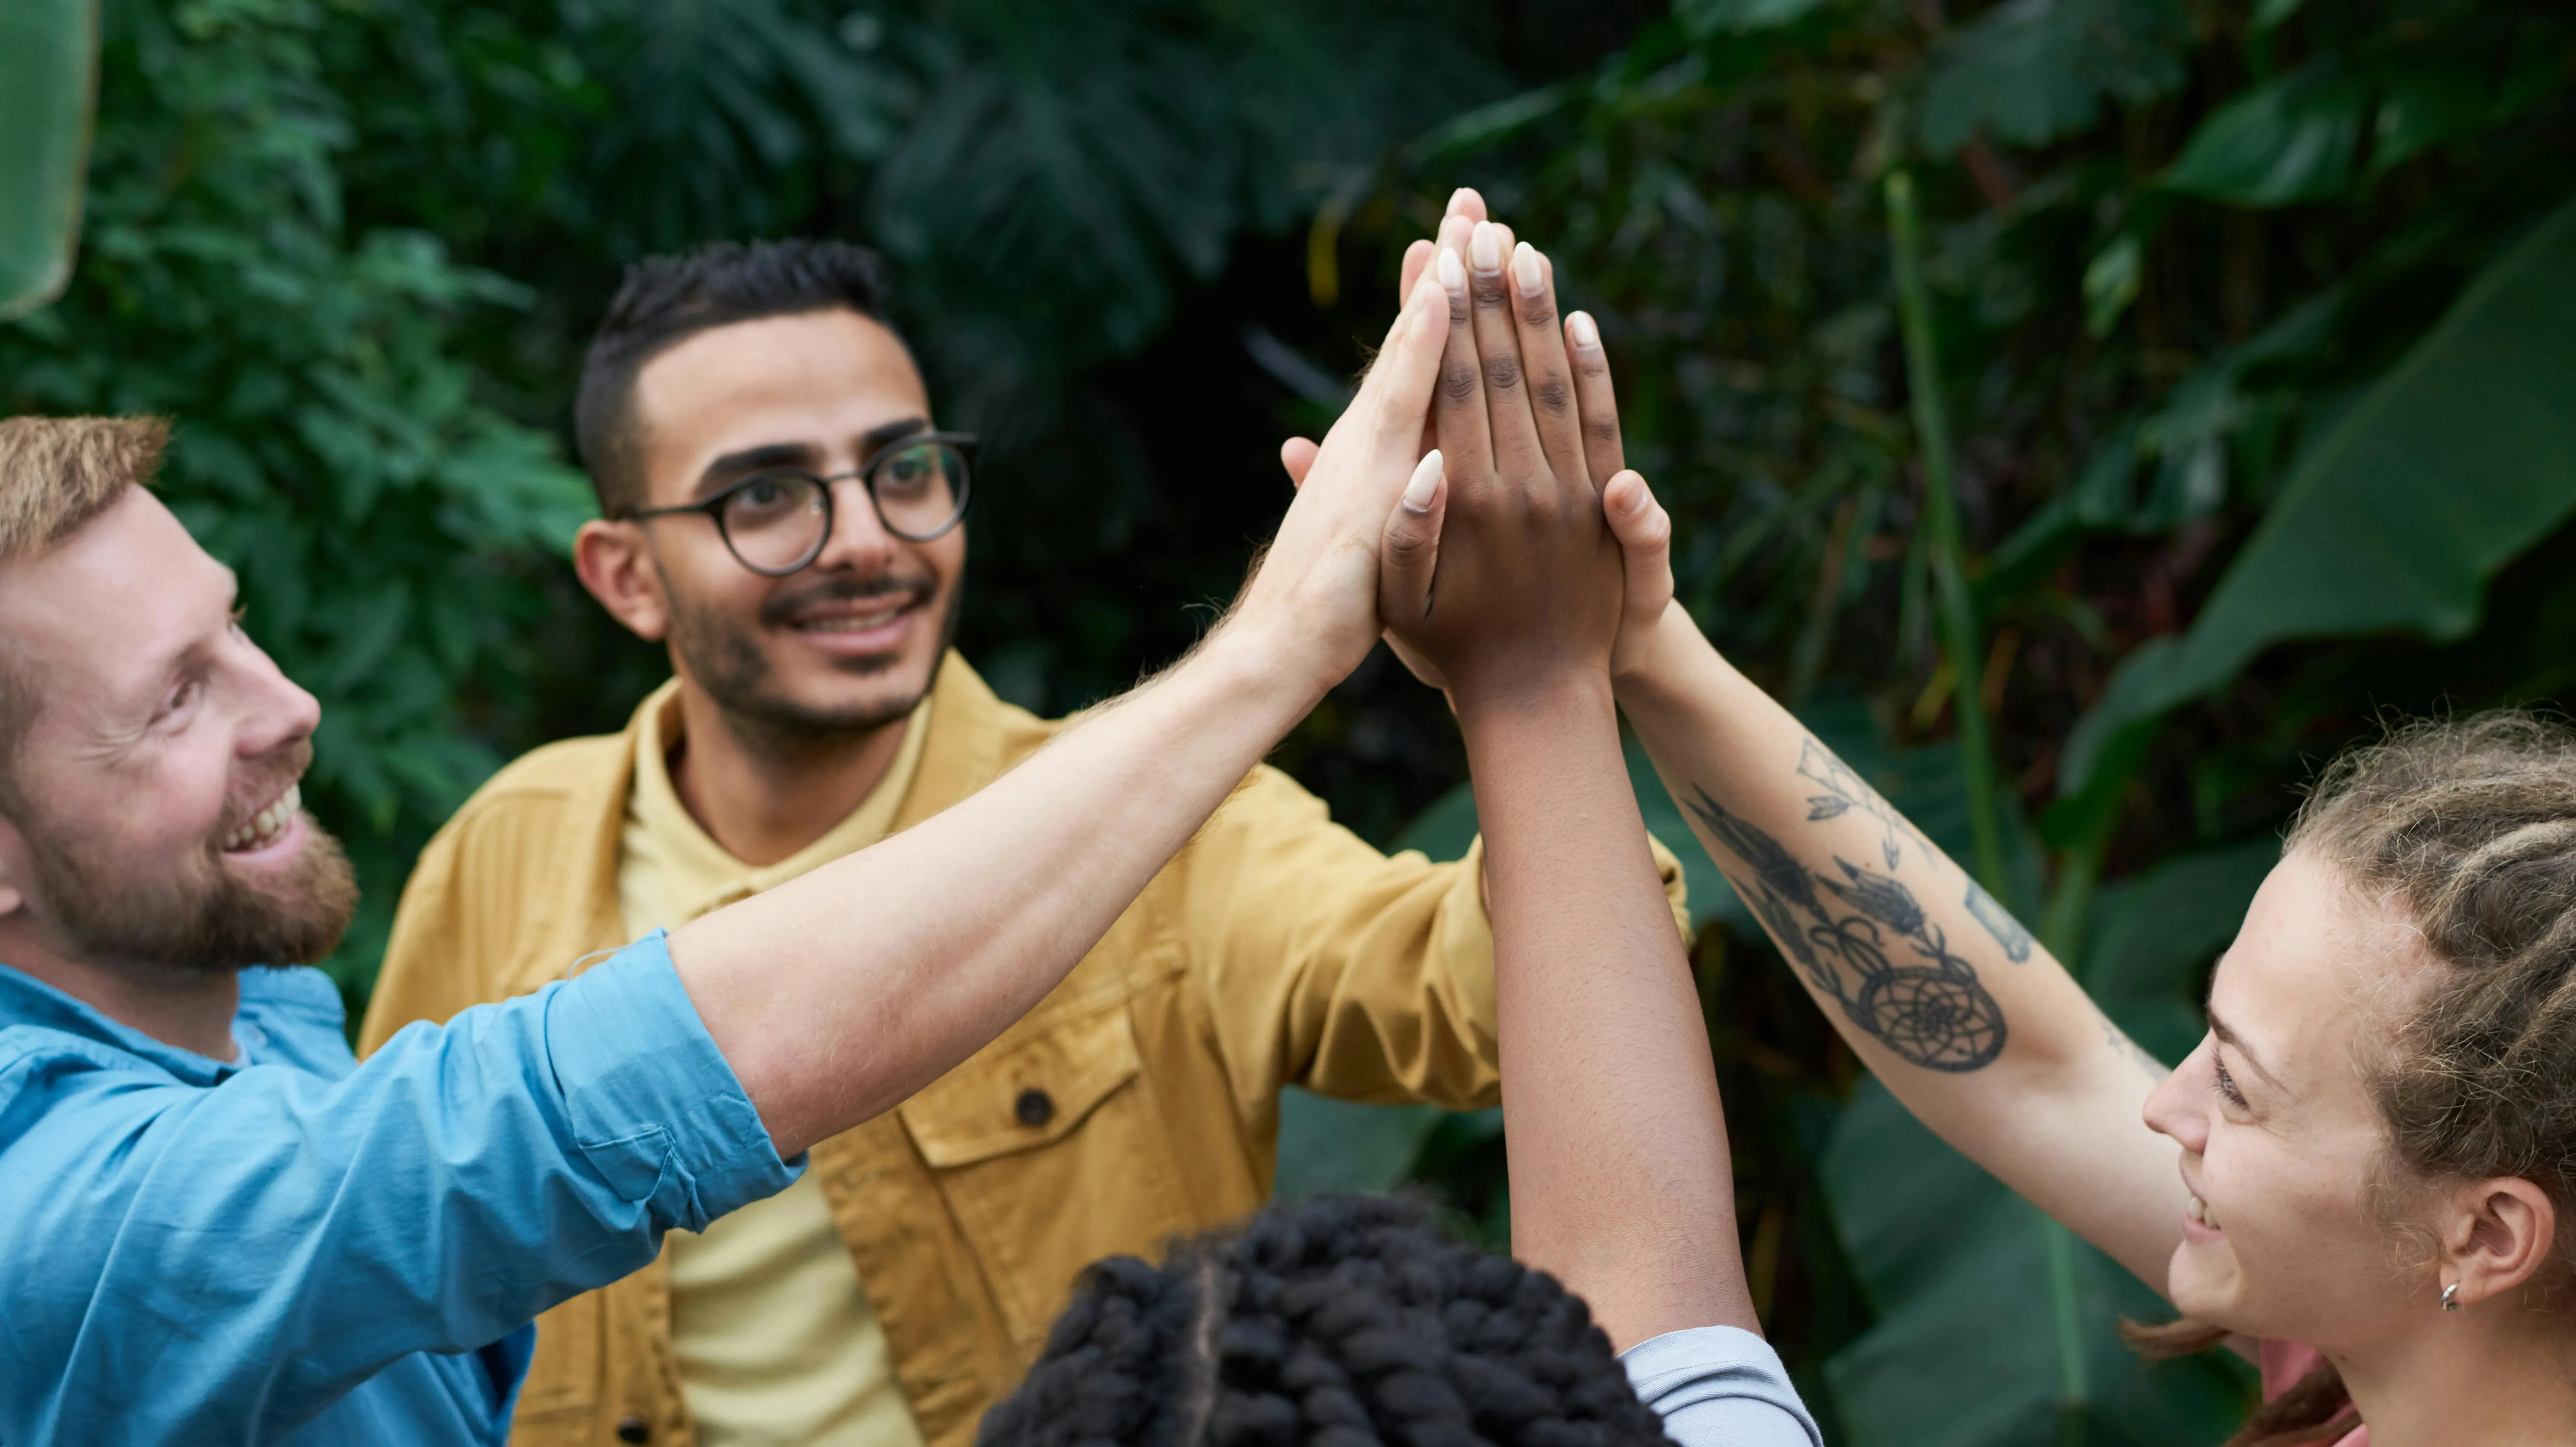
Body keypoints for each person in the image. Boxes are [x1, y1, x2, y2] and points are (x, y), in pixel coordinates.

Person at [0, 264, 1470, 1445]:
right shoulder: (71, 1218)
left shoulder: (264, 1019)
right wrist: (1276, 648)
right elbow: (526, 1133)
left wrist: (1554, 664)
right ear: (623, 574)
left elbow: (1477, 991)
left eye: (236, 629)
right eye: (174, 698)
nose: (296, 707)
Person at [356, 239, 1691, 1447]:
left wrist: (1527, 667)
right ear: (625, 575)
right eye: (764, 497)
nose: (868, 541)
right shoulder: (504, 859)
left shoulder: (1171, 826)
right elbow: (392, 1292)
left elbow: (1472, 996)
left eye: (903, 469)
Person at [1527, 282, 2576, 1445]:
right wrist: (1645, 643)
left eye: (2239, 1087)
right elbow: (2037, 1066)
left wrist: (1534, 688)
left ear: (2485, 1238)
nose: (2162, 1104)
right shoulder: (2386, 1343)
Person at [975, 207, 1821, 1447]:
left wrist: (1303, 649)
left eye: (904, 467)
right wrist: (1538, 674)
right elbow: (1653, 1299)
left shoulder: (1208, 850)